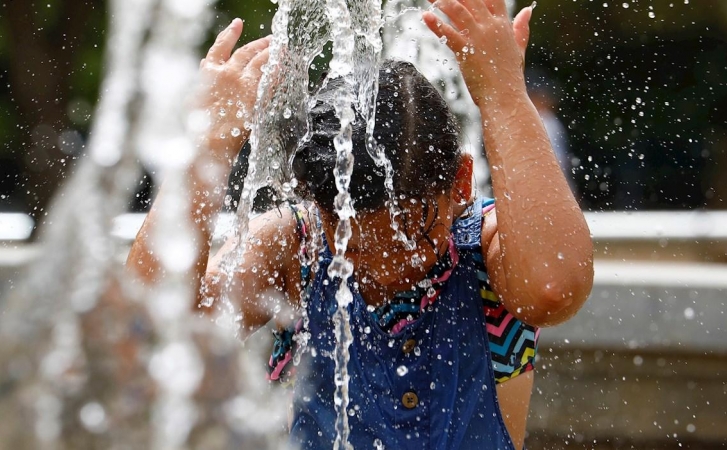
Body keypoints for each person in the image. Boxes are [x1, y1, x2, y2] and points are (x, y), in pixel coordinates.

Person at [127, 1, 593, 449]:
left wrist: (503, 94)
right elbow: (151, 331)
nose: (386, 269)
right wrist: (206, 149)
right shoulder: (295, 246)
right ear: (316, 206)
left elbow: (554, 287)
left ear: (460, 186)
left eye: (412, 237)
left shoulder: (492, 250)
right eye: (353, 247)